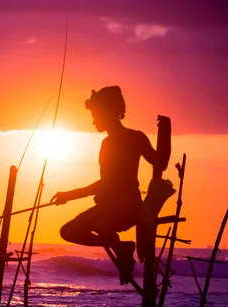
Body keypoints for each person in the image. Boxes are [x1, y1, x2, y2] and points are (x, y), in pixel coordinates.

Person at [50, 86, 161, 283]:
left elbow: (159, 163)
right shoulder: (110, 143)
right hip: (108, 207)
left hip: (126, 209)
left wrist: (69, 195)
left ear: (108, 112)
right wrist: (69, 195)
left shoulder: (133, 138)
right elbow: (105, 184)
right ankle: (120, 247)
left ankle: (121, 249)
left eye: (95, 115)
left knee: (98, 226)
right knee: (67, 231)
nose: (93, 121)